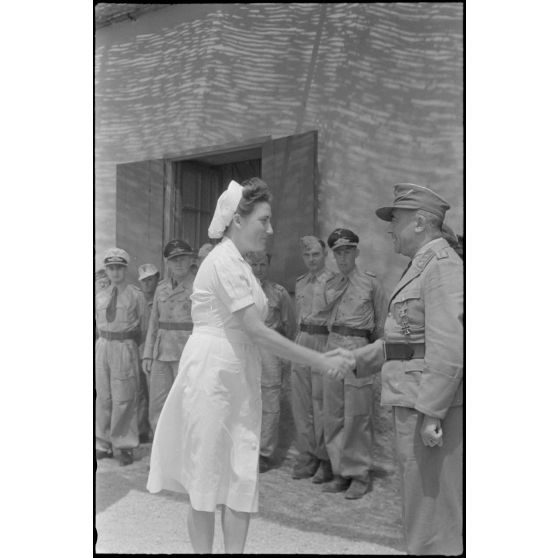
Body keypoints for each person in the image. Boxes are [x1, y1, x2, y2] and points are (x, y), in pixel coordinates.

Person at [146, 178, 353, 554]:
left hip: (238, 372)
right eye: (264, 220)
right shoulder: (222, 260)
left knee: (240, 475)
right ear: (238, 220)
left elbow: (255, 332)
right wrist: (320, 360)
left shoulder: (240, 264)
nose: (270, 229)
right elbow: (257, 330)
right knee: (207, 476)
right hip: (212, 374)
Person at [335, 183, 463, 554]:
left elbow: (449, 345)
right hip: (412, 398)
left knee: (432, 506)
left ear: (422, 222)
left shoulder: (442, 267)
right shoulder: (421, 266)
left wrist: (431, 412)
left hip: (426, 404)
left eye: (397, 220)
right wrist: (358, 360)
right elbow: (405, 341)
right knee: (418, 498)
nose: (391, 229)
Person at [320, 228, 388, 499]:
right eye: (338, 252)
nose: (342, 256)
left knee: (358, 417)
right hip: (332, 348)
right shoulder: (330, 284)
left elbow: (382, 327)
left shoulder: (371, 285)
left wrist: (373, 359)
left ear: (356, 252)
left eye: (347, 250)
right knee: (333, 414)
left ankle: (359, 473)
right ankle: (340, 471)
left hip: (358, 350)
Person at [244, 250, 296, 473]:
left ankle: (264, 453)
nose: (258, 270)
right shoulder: (240, 292)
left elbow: (290, 327)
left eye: (263, 265)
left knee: (270, 404)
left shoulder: (279, 293)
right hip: (245, 351)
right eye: (253, 265)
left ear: (269, 265)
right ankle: (244, 449)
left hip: (269, 354)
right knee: (245, 402)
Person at [290, 236, 336, 484]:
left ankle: (325, 458)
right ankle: (306, 455)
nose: (311, 260)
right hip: (302, 340)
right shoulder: (301, 282)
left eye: (316, 254)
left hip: (323, 342)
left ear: (325, 253)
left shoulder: (334, 282)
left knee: (321, 406)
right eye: (307, 255)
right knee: (301, 405)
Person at [95, 248, 145, 466]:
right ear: (106, 270)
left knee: (124, 397)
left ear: (125, 269)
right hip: (103, 346)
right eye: (111, 268)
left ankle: (124, 444)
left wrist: (133, 349)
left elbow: (144, 327)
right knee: (103, 396)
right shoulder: (100, 295)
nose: (114, 272)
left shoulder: (136, 295)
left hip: (124, 346)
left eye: (119, 268)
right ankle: (103, 442)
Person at [142, 241, 197, 434]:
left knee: (186, 405)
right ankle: (161, 457)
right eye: (173, 260)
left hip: (187, 355)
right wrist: (148, 354)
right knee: (158, 406)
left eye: (183, 258)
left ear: (191, 259)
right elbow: (153, 323)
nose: (179, 263)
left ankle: (184, 456)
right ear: (167, 263)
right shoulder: (161, 288)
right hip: (161, 354)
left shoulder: (199, 287)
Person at [137, 263, 160, 443]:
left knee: (154, 391)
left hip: (154, 350)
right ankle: (141, 429)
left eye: (150, 279)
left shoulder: (160, 299)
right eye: (144, 281)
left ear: (157, 279)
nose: (147, 284)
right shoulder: (137, 300)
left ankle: (155, 432)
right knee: (137, 391)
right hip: (136, 349)